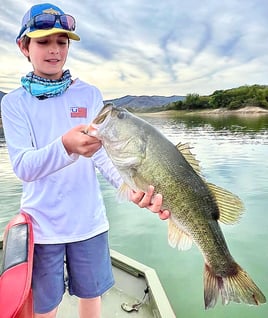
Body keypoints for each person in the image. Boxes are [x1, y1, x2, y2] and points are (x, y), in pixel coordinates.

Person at [1, 3, 170, 318]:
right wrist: (66, 145)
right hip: (42, 226)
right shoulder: (14, 103)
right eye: (43, 41)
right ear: (23, 46)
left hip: (89, 223)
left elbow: (104, 155)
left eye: (61, 42)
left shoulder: (89, 95)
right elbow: (24, 167)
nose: (54, 50)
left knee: (92, 298)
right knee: (45, 306)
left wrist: (128, 185)